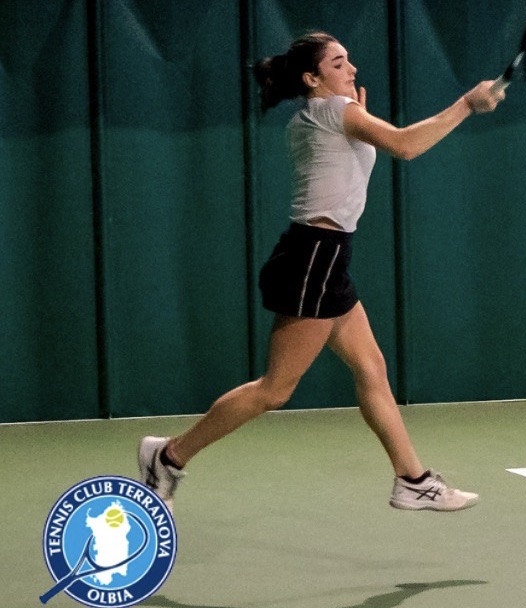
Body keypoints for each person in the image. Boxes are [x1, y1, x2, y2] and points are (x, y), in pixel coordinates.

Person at [137, 31, 504, 513]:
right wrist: (466, 104)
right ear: (312, 78)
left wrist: (359, 114)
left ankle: (413, 480)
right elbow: (406, 146)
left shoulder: (317, 116)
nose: (351, 69)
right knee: (275, 389)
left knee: (371, 368)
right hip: (314, 258)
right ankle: (168, 455)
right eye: (337, 64)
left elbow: (357, 155)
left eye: (349, 60)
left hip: (325, 258)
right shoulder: (334, 113)